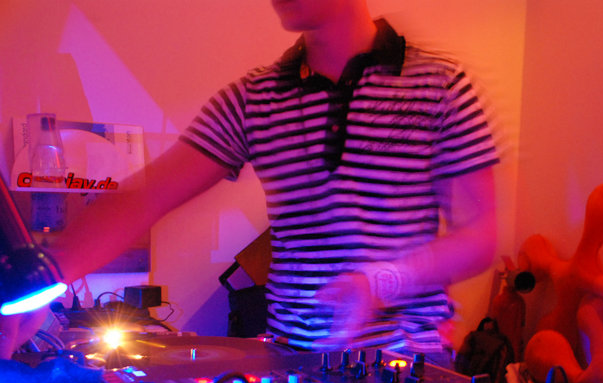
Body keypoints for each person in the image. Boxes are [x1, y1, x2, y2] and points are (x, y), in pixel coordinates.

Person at [1, 0, 498, 357]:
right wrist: (42, 280)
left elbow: (480, 235)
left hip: (407, 362)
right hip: (293, 364)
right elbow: (144, 197)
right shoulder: (252, 98)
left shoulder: (441, 85)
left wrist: (380, 281)